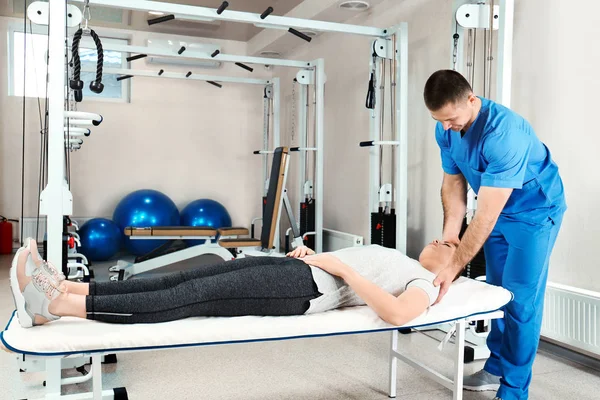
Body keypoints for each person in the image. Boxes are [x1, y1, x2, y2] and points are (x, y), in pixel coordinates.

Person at [423, 70, 566, 400]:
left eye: (451, 118)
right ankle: (496, 367)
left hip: (534, 213)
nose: (446, 127)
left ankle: (515, 389)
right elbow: (453, 183)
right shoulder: (445, 128)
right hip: (498, 212)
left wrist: (454, 266)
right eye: (438, 119)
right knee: (497, 291)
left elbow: (485, 215)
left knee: (519, 299)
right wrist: (449, 238)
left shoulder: (504, 134)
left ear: (471, 100)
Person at [10, 238, 456, 329]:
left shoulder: (423, 280)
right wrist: (316, 255)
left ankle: (54, 308)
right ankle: (67, 287)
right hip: (300, 271)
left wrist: (344, 271)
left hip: (304, 292)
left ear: (451, 267)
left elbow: (398, 314)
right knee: (183, 277)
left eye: (450, 243)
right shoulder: (399, 255)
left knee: (188, 297)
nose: (440, 237)